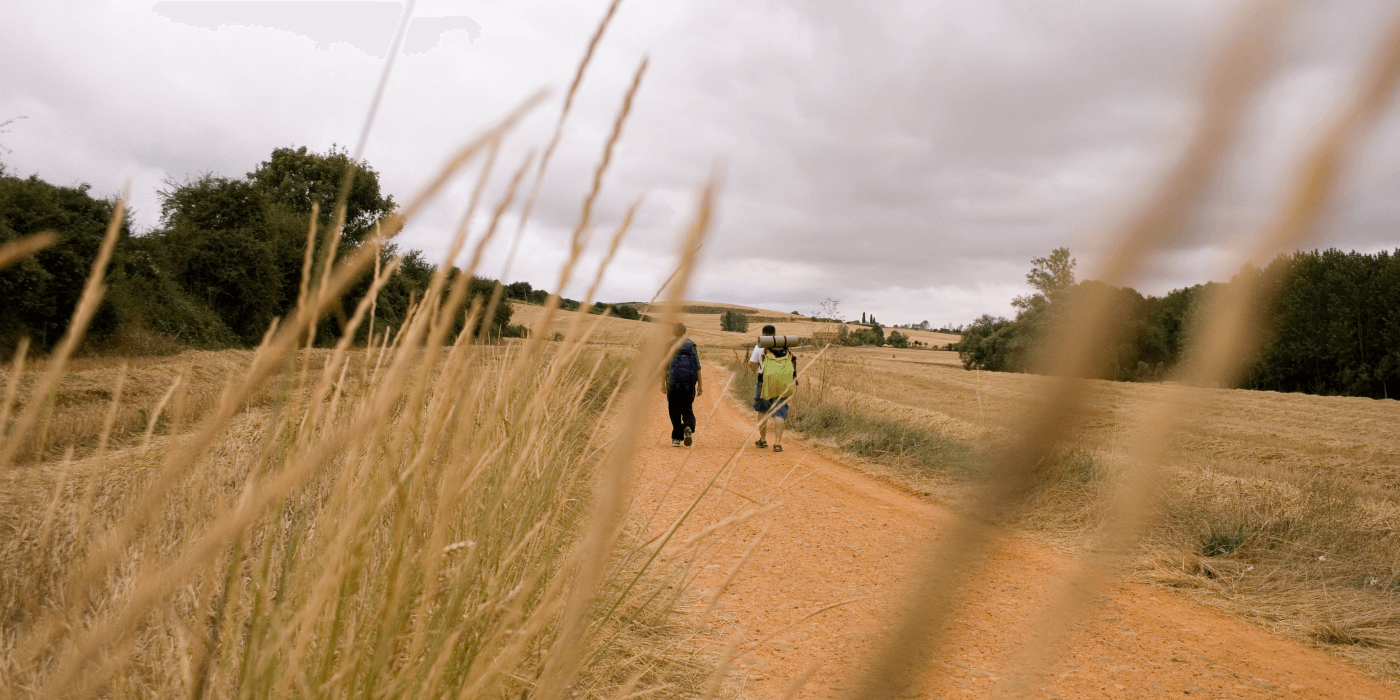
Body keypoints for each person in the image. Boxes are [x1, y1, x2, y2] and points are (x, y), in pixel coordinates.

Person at [748, 324, 797, 452]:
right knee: (779, 411)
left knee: (762, 410)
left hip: (764, 381)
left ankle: (763, 440)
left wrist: (757, 365)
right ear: (775, 334)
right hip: (783, 382)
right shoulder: (784, 346)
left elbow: (752, 366)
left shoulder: (760, 346)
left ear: (763, 333)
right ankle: (777, 443)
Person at [662, 322, 702, 446]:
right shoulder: (691, 345)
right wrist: (700, 385)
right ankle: (688, 426)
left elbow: (665, 367)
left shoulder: (669, 345)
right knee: (687, 407)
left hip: (672, 382)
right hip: (689, 383)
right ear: (684, 332)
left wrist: (662, 384)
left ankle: (676, 438)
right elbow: (697, 367)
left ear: (673, 332)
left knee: (674, 410)